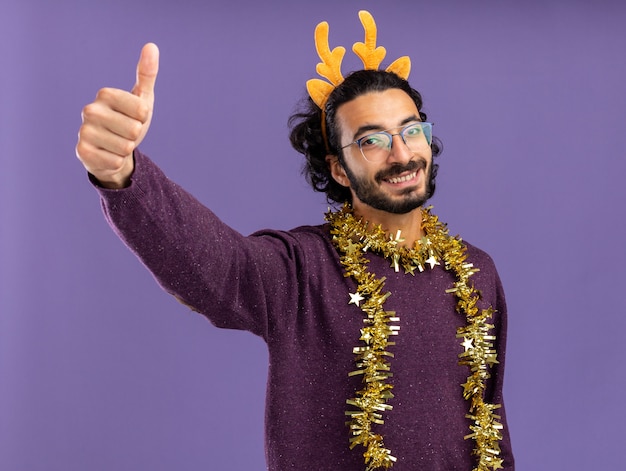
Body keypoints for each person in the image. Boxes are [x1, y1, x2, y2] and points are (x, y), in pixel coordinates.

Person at [76, 11, 514, 471]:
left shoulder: (475, 272)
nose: (402, 153)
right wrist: (122, 173)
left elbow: (491, 423)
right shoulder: (301, 268)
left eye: (411, 131)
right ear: (339, 169)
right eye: (372, 141)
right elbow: (221, 269)